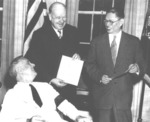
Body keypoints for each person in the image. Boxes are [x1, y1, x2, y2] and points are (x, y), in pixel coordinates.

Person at [85, 7, 146, 122]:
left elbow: (142, 64)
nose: (107, 24)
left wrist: (137, 68)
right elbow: (89, 65)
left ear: (121, 22)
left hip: (123, 99)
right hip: (102, 99)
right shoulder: (96, 42)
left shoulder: (134, 42)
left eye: (111, 22)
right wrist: (99, 77)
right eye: (106, 21)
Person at [0, 56, 92, 122]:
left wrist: (77, 116)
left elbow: (63, 104)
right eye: (28, 63)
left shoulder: (45, 86)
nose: (33, 64)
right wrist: (28, 120)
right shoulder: (12, 95)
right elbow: (4, 119)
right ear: (19, 70)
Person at [25, 2, 81, 104]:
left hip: (69, 89)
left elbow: (78, 51)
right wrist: (50, 79)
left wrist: (77, 55)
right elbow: (34, 63)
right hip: (47, 88)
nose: (61, 21)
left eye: (64, 17)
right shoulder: (39, 35)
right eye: (58, 18)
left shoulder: (74, 32)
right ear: (50, 17)